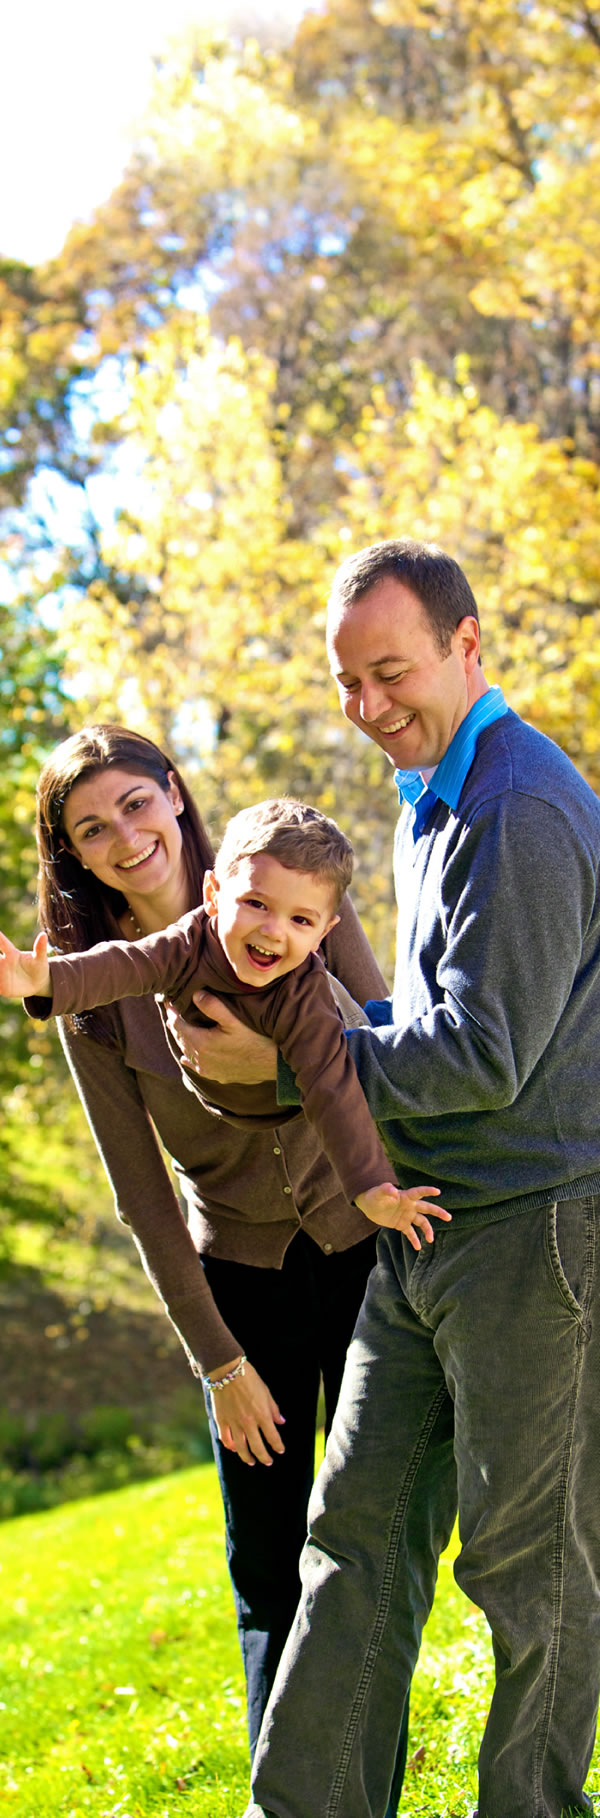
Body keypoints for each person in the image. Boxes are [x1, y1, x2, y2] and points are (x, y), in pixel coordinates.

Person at [234, 538, 600, 1818]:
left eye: (390, 672)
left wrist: (299, 1058)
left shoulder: (524, 808)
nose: (368, 704)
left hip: (535, 1232)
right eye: (346, 681)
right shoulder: (430, 791)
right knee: (353, 1538)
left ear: (467, 643)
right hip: (427, 1228)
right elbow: (422, 1019)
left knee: (529, 1569)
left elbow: (487, 1053)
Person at [5, 724, 408, 1815]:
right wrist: (217, 1363)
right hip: (240, 1283)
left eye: (137, 803)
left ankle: (367, 1780)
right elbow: (141, 1199)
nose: (125, 836)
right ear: (76, 857)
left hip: (364, 1251)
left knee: (369, 1538)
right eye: (92, 828)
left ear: (176, 798)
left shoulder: (293, 889)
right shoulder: (90, 994)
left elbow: (390, 1043)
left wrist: (281, 1053)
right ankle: (290, 1801)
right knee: (267, 1563)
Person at [0, 795, 450, 1248]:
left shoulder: (303, 989)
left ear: (322, 933)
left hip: (291, 1113)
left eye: (300, 920)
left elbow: (331, 1086)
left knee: (329, 1056)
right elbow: (121, 965)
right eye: (256, 903)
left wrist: (371, 1188)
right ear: (213, 895)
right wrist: (44, 979)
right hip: (224, 1145)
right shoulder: (186, 944)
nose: (274, 930)